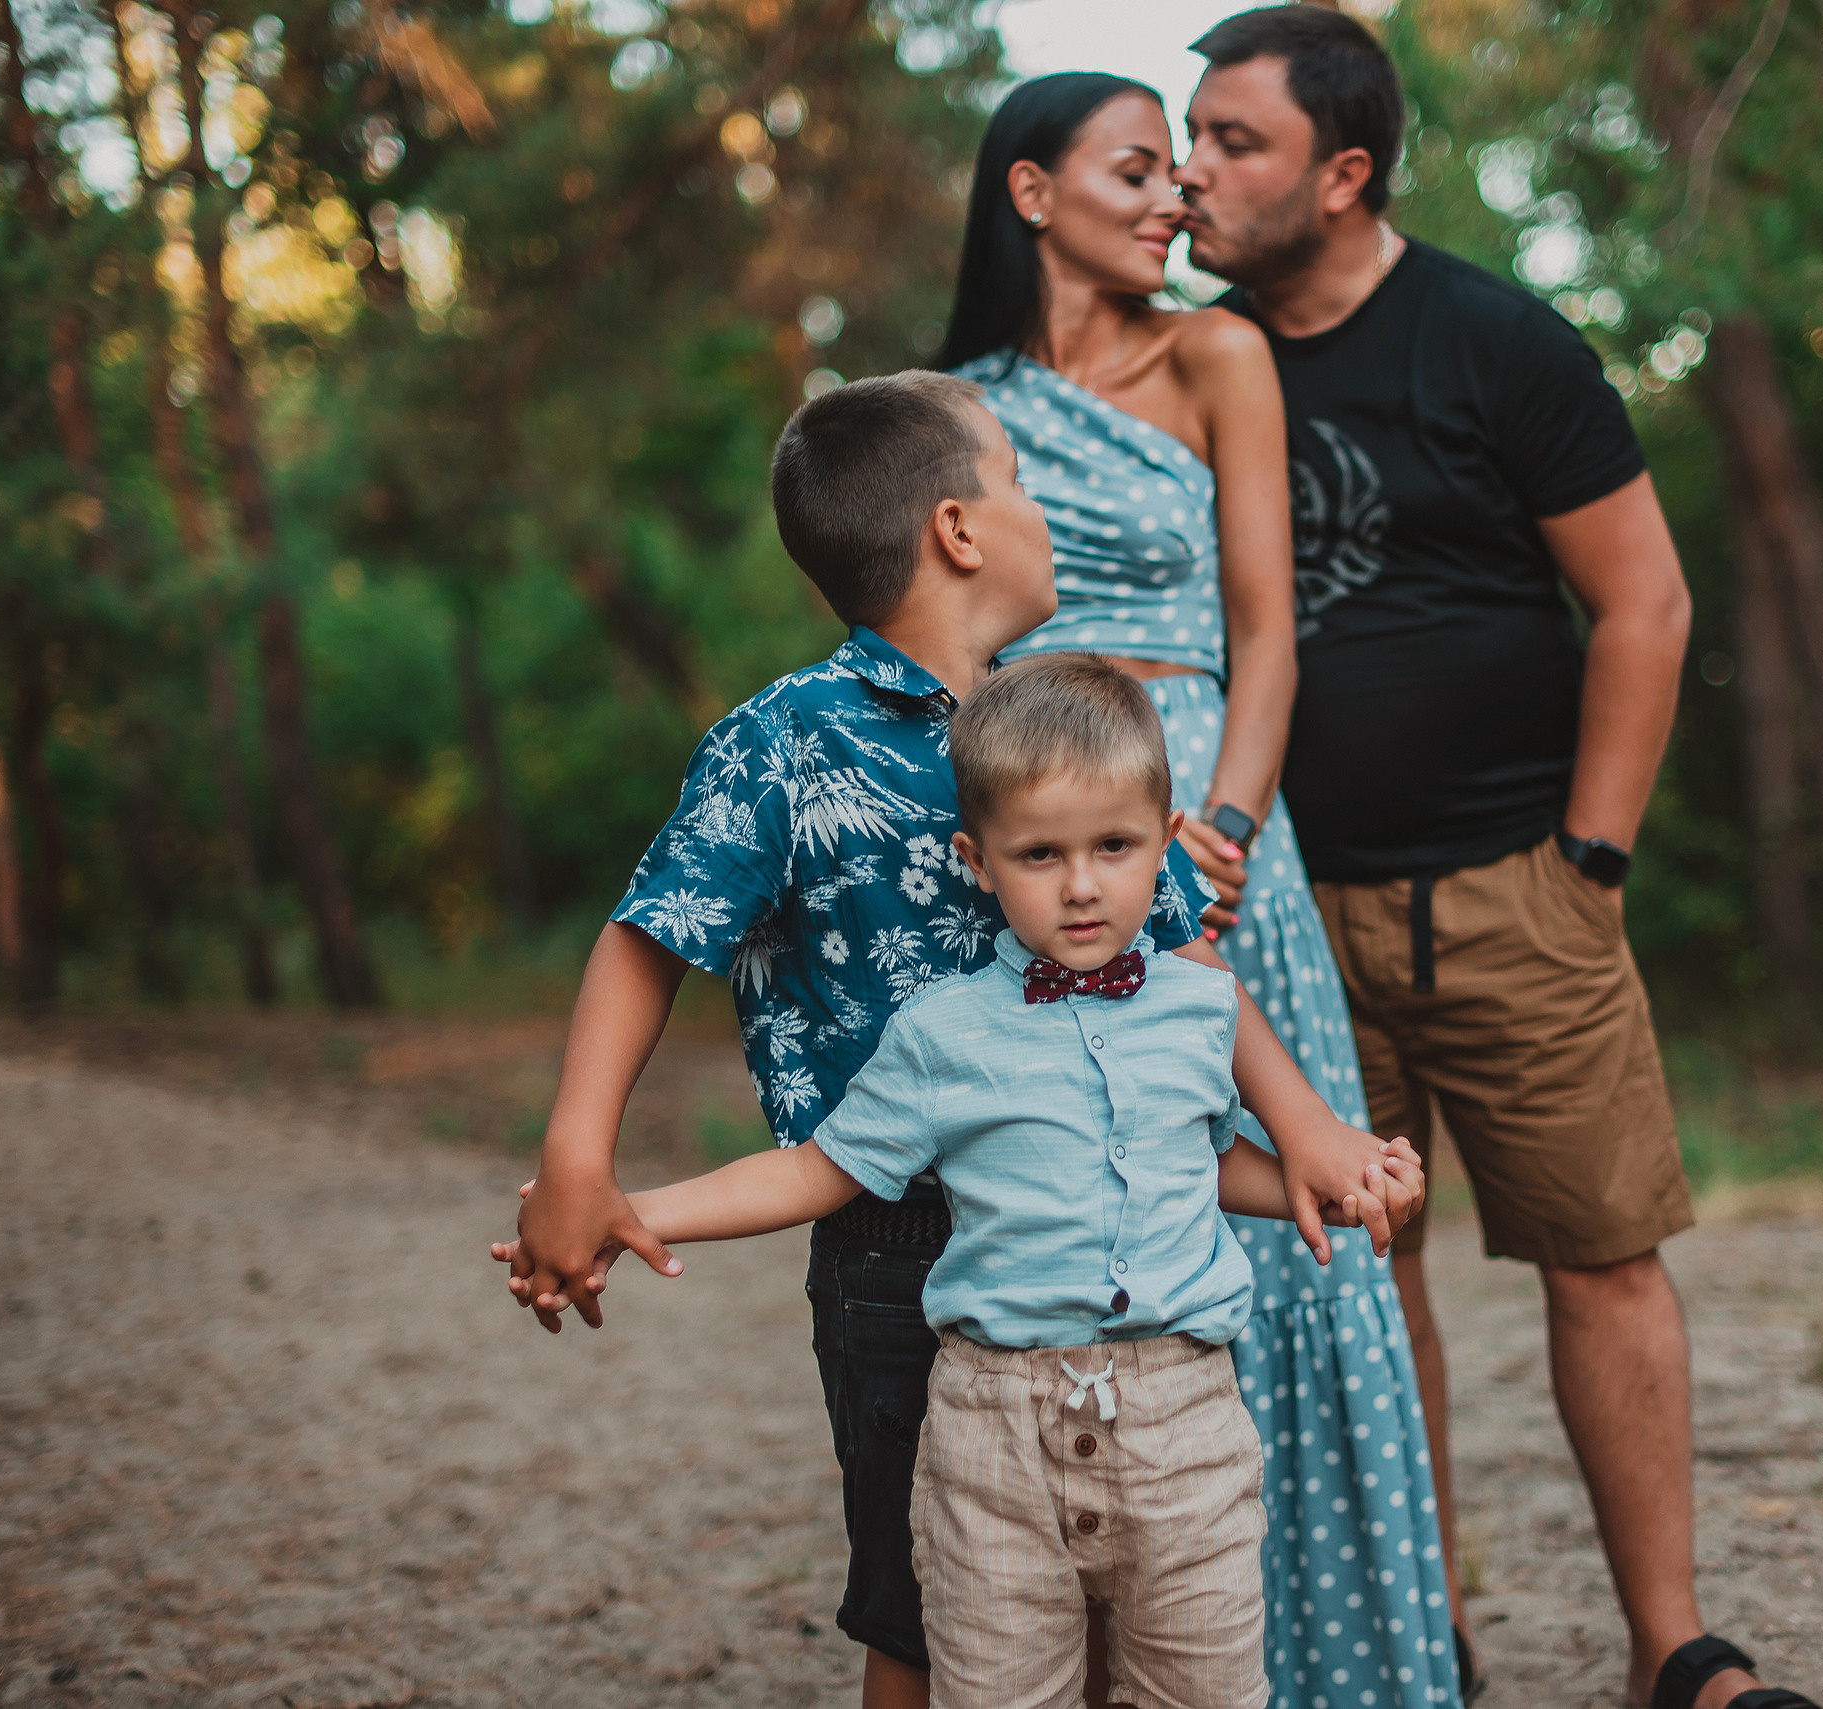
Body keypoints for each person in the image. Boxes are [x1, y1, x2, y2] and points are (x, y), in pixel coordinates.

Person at [494, 370, 1419, 1709]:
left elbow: (1186, 972)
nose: (1046, 512)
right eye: (1026, 484)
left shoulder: (1069, 728)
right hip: (899, 1246)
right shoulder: (786, 744)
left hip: (1105, 1219)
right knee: (929, 1619)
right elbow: (652, 934)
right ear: (959, 529)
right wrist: (580, 1158)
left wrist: (1313, 1130)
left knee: (1133, 1603)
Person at [1168, 13, 1823, 1709]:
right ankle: (1419, 1640)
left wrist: (1589, 855)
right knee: (1351, 1273)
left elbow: (1645, 602)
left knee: (1601, 1250)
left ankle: (1674, 1649)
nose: (1193, 168)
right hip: (1289, 922)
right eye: (1187, 134)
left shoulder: (1493, 341)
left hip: (1515, 892)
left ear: (1344, 170)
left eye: (1234, 140)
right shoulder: (1191, 364)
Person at [935, 72, 1465, 1709]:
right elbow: (946, 644)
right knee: (1074, 1200)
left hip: (1215, 822)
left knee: (1284, 1219)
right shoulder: (957, 403)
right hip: (1036, 826)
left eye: (1185, 169)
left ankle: (1325, 1661)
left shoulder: (1217, 356)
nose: (1175, 198)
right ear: (1031, 193)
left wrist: (1218, 833)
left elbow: (1268, 628)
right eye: (1136, 168)